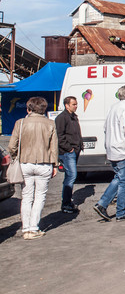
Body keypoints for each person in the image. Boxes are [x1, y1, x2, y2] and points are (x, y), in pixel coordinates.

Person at [8, 97, 58, 239]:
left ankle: (26, 228)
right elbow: (53, 147)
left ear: (28, 108)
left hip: (25, 163)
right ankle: (34, 228)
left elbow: (12, 146)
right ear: (44, 109)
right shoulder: (50, 124)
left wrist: (15, 156)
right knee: (40, 196)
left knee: (26, 196)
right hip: (44, 163)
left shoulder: (20, 123)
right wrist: (54, 164)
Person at [94, 85, 125, 222]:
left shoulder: (113, 107)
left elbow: (105, 127)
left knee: (119, 177)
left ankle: (102, 203)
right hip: (123, 148)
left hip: (112, 147)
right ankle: (120, 212)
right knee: (124, 181)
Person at [56, 96, 82, 213]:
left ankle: (68, 201)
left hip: (74, 150)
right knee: (71, 176)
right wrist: (69, 148)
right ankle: (66, 203)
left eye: (76, 104)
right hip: (67, 152)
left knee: (70, 176)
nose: (76, 106)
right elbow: (59, 136)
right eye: (73, 104)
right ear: (67, 105)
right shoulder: (62, 118)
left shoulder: (73, 117)